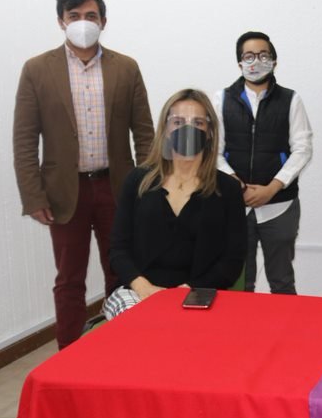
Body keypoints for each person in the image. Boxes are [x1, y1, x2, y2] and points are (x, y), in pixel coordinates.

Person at [12, 0, 154, 348]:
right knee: (69, 280)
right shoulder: (37, 70)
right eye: (74, 16)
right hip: (63, 192)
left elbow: (144, 134)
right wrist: (33, 196)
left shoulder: (126, 68)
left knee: (121, 273)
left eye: (91, 16)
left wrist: (147, 188)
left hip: (116, 188)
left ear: (103, 21)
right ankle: (69, 359)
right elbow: (24, 139)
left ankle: (121, 352)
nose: (83, 23)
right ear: (61, 21)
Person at [105, 90, 246, 318]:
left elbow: (232, 261)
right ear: (166, 129)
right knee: (142, 325)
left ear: (210, 132)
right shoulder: (137, 181)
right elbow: (118, 250)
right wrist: (144, 288)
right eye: (178, 122)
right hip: (138, 291)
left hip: (198, 293)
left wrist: (187, 291)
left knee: (181, 330)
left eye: (198, 123)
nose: (188, 130)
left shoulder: (228, 189)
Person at [214, 31, 312, 295]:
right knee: (239, 282)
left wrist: (272, 188)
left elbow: (302, 149)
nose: (256, 61)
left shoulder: (291, 99)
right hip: (236, 205)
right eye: (249, 56)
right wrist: (238, 187)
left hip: (280, 205)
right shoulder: (221, 99)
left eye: (263, 55)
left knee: (282, 281)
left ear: (274, 61)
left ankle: (286, 324)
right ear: (239, 63)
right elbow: (214, 151)